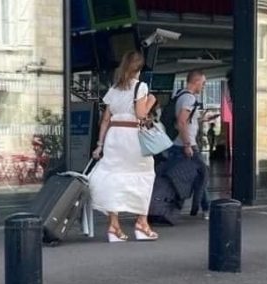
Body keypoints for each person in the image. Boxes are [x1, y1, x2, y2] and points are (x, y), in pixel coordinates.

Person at [89, 51, 158, 242]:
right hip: (132, 137)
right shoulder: (141, 87)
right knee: (144, 176)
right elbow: (141, 115)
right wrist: (151, 101)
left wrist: (100, 145)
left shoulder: (114, 89)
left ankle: (114, 227)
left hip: (114, 137)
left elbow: (105, 120)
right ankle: (142, 224)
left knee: (114, 177)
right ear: (139, 68)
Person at [167, 69, 210, 219]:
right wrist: (187, 144)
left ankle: (200, 208)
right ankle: (204, 208)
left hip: (177, 144)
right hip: (186, 145)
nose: (203, 86)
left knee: (183, 176)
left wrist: (201, 120)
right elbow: (181, 121)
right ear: (196, 81)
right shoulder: (189, 99)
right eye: (203, 83)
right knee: (202, 174)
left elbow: (186, 120)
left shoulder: (180, 95)